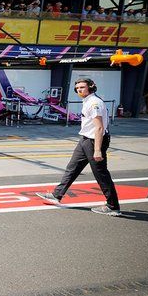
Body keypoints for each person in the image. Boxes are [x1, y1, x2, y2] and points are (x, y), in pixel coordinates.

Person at [36, 78, 121, 216]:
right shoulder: (88, 101)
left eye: (82, 87)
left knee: (101, 174)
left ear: (91, 87)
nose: (79, 90)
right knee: (72, 167)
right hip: (85, 140)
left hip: (94, 141)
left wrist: (98, 150)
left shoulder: (94, 103)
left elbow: (99, 128)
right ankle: (57, 195)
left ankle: (113, 206)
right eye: (77, 88)